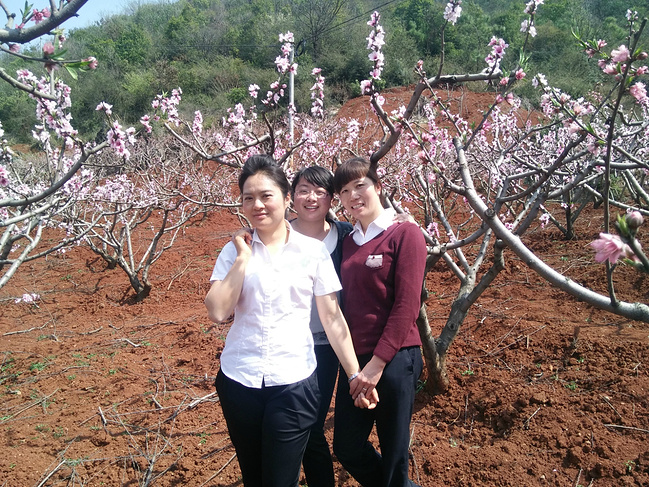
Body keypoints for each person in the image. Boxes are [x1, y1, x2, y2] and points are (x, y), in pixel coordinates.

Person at [204, 154, 376, 487]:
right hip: (239, 379)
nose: (258, 205)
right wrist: (242, 259)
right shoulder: (233, 251)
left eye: (266, 196)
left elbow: (332, 316)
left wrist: (355, 373)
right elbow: (217, 311)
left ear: (285, 199)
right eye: (248, 198)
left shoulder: (312, 253)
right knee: (254, 477)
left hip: (294, 382)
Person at [332, 157, 427, 487]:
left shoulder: (405, 233)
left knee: (394, 453)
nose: (353, 195)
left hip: (396, 357)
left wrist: (377, 365)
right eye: (344, 190)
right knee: (346, 446)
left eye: (360, 185)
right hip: (357, 361)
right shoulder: (347, 241)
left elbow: (407, 305)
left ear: (378, 187)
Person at [289, 166, 353, 487]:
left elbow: (380, 239)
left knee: (310, 423)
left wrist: (402, 222)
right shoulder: (278, 235)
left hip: (329, 346)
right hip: (289, 343)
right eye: (303, 190)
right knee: (301, 423)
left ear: (331, 199)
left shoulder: (345, 235)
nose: (311, 198)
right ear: (291, 196)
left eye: (320, 192)